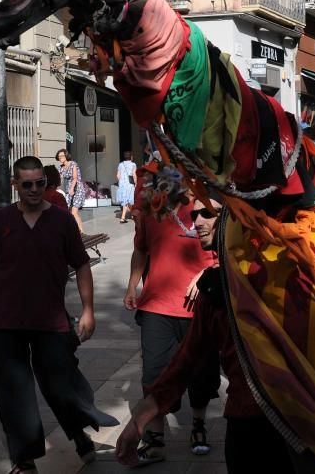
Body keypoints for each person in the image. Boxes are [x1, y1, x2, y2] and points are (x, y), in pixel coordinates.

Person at [116, 199, 315, 473]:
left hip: (299, 425)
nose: (197, 221)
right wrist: (137, 422)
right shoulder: (213, 290)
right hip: (244, 425)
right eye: (195, 214)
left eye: (208, 214)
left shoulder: (285, 277)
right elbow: (185, 361)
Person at [0, 156, 117, 472]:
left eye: (40, 183)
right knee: (13, 393)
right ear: (15, 185)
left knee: (60, 386)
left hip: (50, 320)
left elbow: (80, 265)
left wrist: (89, 310)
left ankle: (78, 433)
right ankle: (24, 459)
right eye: (28, 184)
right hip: (6, 321)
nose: (35, 190)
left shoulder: (62, 221)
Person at [123, 194, 219, 465]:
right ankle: (155, 439)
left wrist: (208, 274)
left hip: (201, 307)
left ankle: (198, 426)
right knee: (154, 372)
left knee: (203, 373)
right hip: (157, 305)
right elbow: (141, 249)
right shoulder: (152, 207)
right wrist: (132, 285)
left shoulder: (207, 206)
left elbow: (229, 249)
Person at [56, 149, 87, 234]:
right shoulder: (60, 168)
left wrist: (72, 188)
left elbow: (75, 178)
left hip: (77, 189)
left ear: (66, 156)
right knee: (69, 212)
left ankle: (82, 232)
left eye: (62, 156)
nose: (60, 158)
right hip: (68, 191)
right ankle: (75, 231)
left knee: (74, 212)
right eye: (59, 157)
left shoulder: (73, 164)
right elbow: (59, 180)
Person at [114, 150, 136, 225]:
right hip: (129, 184)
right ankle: (123, 218)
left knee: (128, 201)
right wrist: (136, 183)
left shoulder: (121, 164)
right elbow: (134, 175)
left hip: (122, 185)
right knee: (127, 201)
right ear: (131, 157)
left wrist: (122, 181)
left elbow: (117, 176)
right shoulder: (133, 165)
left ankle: (133, 216)